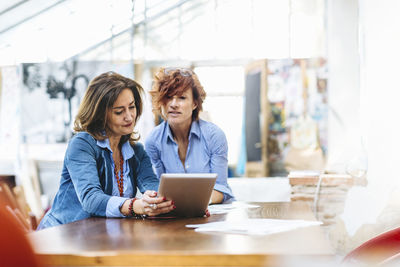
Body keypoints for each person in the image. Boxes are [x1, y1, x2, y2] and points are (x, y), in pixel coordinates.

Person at [38, 72, 174, 229]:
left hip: (99, 236)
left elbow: (151, 185)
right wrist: (135, 206)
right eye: (119, 111)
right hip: (61, 235)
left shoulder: (136, 151)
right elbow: (91, 199)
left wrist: (161, 201)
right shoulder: (82, 144)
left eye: (132, 107)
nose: (129, 117)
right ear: (100, 114)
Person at [145, 67, 234, 204]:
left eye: (182, 97)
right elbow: (158, 188)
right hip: (172, 213)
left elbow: (221, 188)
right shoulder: (153, 141)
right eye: (168, 97)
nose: (174, 104)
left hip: (213, 211)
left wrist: (195, 202)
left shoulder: (214, 136)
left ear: (194, 103)